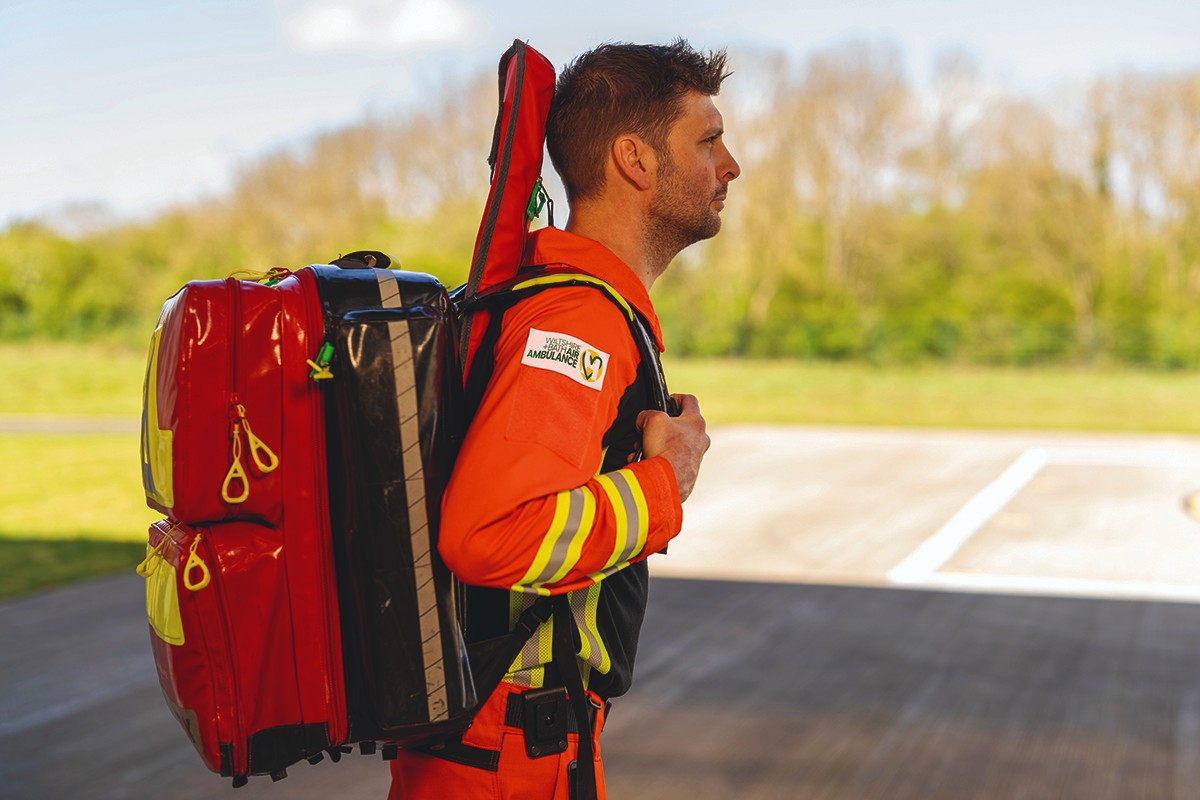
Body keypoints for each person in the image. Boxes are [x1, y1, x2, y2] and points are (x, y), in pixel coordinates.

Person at [388, 39, 740, 800]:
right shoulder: (578, 322)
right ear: (636, 162)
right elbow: (487, 534)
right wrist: (664, 483)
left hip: (515, 740)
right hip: (506, 756)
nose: (731, 164)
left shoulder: (575, 304)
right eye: (708, 140)